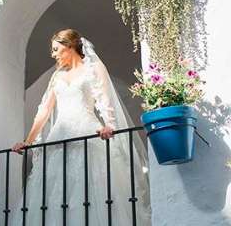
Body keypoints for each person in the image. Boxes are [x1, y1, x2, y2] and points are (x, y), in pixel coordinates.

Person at [12, 28, 150, 225]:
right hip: (58, 138)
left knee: (91, 189)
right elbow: (44, 110)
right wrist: (28, 141)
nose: (53, 54)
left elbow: (105, 101)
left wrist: (109, 125)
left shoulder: (93, 68)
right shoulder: (57, 76)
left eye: (55, 49)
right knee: (53, 194)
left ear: (69, 47)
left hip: (87, 131)